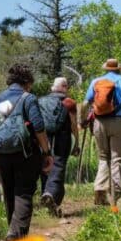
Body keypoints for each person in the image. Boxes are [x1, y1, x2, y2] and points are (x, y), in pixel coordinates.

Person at [0, 63, 54, 241]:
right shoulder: (28, 98)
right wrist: (46, 152)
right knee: (23, 191)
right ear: (27, 82)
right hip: (25, 152)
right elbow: (38, 127)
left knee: (8, 191)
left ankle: (12, 231)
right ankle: (16, 235)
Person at [85, 58, 121, 206]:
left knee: (104, 157)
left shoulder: (96, 82)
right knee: (119, 158)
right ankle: (116, 193)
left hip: (99, 122)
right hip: (118, 121)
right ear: (118, 69)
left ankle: (100, 188)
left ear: (106, 69)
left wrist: (82, 121)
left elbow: (86, 103)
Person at [38, 77, 78, 216]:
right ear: (65, 87)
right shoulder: (69, 102)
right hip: (63, 137)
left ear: (52, 88)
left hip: (44, 136)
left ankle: (48, 200)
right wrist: (77, 143)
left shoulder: (41, 101)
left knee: (46, 165)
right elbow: (73, 124)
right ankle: (51, 194)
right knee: (59, 165)